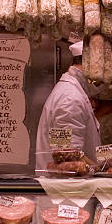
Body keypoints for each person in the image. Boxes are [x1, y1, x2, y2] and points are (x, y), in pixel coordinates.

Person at [35, 41, 102, 170]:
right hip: (67, 188)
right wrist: (103, 170)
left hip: (68, 186)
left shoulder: (72, 91)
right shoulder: (71, 99)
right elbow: (69, 156)